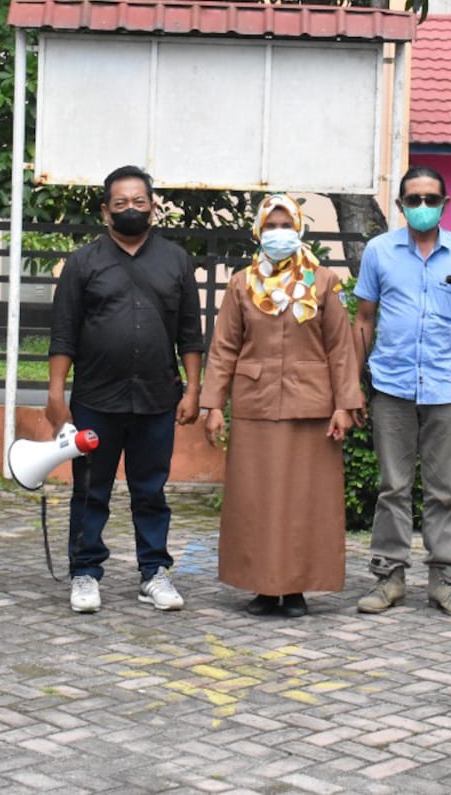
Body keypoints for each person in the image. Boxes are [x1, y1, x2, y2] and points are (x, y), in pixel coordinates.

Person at [48, 165, 204, 615]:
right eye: (121, 203)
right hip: (96, 399)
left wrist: (193, 390)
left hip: (157, 399)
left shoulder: (175, 261)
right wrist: (56, 394)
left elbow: (190, 334)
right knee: (90, 488)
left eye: (139, 201)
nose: (130, 209)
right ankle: (85, 572)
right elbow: (63, 334)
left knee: (150, 490)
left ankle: (154, 572)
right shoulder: (82, 263)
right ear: (105, 211)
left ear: (153, 208)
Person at [200, 195, 363, 617]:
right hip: (254, 405)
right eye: (270, 226)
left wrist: (345, 406)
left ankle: (296, 589)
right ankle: (261, 586)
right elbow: (223, 349)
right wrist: (213, 404)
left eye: (285, 225)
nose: (278, 234)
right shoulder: (241, 284)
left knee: (305, 501)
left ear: (299, 228)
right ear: (258, 231)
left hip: (312, 406)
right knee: (256, 499)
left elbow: (341, 350)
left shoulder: (324, 282)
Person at [353, 166, 451, 619]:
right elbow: (364, 319)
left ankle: (445, 581)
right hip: (391, 385)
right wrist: (355, 383)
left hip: (446, 387)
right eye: (414, 199)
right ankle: (389, 577)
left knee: (444, 490)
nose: (423, 207)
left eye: (431, 199)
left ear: (446, 204)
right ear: (401, 205)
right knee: (393, 486)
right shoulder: (379, 252)